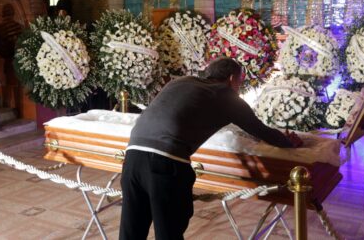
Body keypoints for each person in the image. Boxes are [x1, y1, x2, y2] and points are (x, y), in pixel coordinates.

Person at [119, 57, 301, 240]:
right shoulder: (225, 95)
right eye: (240, 82)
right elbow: (259, 129)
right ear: (232, 79)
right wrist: (290, 142)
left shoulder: (181, 81)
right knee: (169, 234)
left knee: (131, 233)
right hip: (165, 163)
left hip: (131, 158)